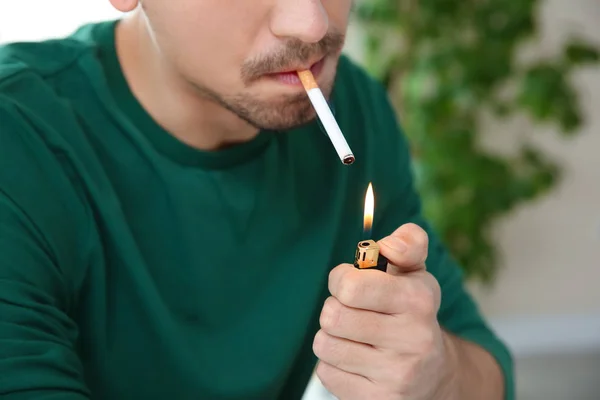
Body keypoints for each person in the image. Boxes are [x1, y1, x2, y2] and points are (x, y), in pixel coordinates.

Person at [0, 1, 514, 399]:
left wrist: (437, 376)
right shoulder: (19, 144)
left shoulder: (353, 107)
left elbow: (488, 372)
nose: (310, 24)